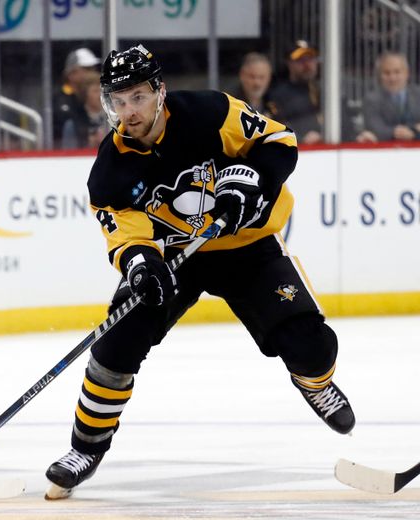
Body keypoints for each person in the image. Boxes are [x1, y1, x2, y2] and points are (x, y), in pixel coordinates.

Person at [44, 45, 355, 500]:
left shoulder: (210, 111)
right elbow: (126, 237)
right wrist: (141, 266)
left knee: (310, 344)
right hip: (174, 257)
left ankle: (316, 382)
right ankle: (84, 448)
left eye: (137, 97)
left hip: (246, 245)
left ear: (159, 91)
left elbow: (279, 141)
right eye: (118, 101)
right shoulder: (110, 168)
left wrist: (249, 183)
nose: (128, 112)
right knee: (116, 345)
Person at [267, 40, 322, 144]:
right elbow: (278, 126)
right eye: (300, 60)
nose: (307, 64)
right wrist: (301, 139)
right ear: (289, 63)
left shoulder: (327, 91)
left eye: (310, 58)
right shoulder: (278, 95)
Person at [357, 52, 420, 143]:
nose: (392, 78)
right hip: (386, 152)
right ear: (379, 76)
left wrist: (412, 133)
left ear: (407, 73)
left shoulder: (418, 94)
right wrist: (410, 131)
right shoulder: (371, 100)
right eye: (387, 73)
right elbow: (375, 128)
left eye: (397, 72)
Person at [53, 47, 101, 146]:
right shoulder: (59, 99)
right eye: (87, 69)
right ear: (71, 73)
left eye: (93, 68)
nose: (92, 72)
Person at [61, 70, 107, 149]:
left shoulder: (115, 119)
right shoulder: (73, 124)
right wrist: (86, 143)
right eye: (96, 91)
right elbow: (68, 155)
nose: (100, 94)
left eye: (102, 90)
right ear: (85, 94)